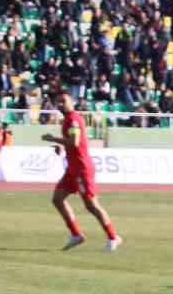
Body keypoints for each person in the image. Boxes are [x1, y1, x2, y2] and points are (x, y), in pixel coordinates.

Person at [42, 92, 123, 251]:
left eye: (63, 101)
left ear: (71, 102)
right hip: (72, 168)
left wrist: (53, 139)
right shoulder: (68, 119)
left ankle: (113, 237)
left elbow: (75, 142)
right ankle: (76, 234)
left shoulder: (73, 119)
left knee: (92, 205)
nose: (60, 104)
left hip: (82, 168)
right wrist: (61, 146)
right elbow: (73, 143)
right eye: (58, 102)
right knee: (57, 199)